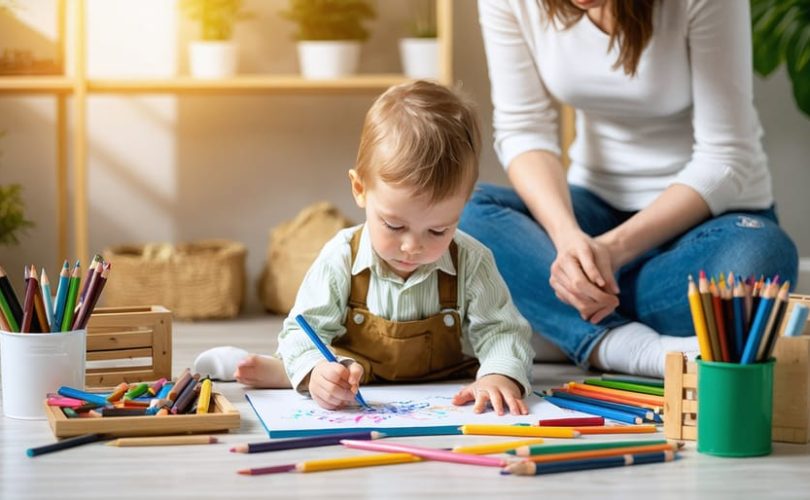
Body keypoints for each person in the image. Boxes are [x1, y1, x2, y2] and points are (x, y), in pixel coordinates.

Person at [459, 0, 799, 378]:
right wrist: (569, 239)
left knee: (761, 260)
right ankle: (619, 344)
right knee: (464, 213)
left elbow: (726, 156)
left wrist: (610, 252)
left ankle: (558, 316)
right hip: (594, 206)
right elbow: (523, 129)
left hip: (711, 217)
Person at [234, 80, 535, 415]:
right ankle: (299, 374)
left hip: (443, 378)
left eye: (438, 230)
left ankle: (290, 372)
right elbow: (303, 330)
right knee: (327, 366)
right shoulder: (341, 256)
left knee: (493, 365)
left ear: (462, 206)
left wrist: (499, 375)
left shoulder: (472, 259)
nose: (412, 246)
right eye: (395, 226)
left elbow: (502, 329)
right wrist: (317, 369)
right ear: (360, 189)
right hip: (358, 374)